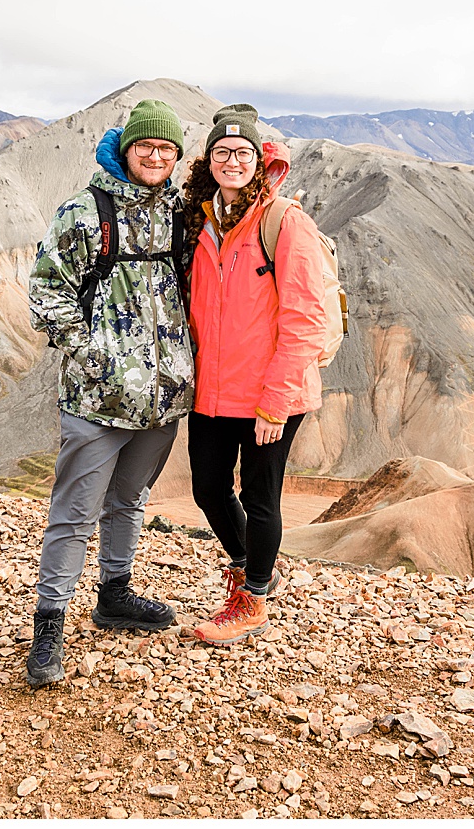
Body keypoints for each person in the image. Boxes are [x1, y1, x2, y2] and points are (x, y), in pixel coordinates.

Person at [24, 98, 194, 687]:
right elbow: (47, 286)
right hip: (97, 400)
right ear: (126, 149)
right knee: (74, 513)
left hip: (163, 400)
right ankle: (49, 627)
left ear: (176, 157)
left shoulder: (180, 214)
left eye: (166, 148)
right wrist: (92, 355)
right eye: (146, 146)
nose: (155, 155)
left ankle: (114, 596)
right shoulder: (85, 211)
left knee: (128, 502)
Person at [181, 105, 327, 646]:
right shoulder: (201, 221)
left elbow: (305, 316)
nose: (233, 161)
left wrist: (276, 400)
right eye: (223, 152)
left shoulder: (284, 222)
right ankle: (252, 567)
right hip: (214, 389)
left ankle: (253, 598)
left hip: (270, 391)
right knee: (208, 488)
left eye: (243, 153)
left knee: (261, 496)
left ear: (258, 161)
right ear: (210, 161)